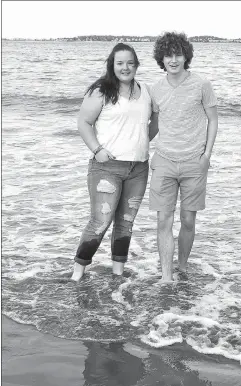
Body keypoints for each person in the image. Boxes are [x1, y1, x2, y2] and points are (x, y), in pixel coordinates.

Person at [72, 43, 157, 281]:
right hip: (106, 167)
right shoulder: (101, 90)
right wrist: (97, 149)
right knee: (100, 221)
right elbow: (83, 123)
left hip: (138, 168)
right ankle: (77, 273)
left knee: (125, 224)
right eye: (120, 63)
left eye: (130, 63)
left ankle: (117, 274)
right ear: (112, 65)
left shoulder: (146, 91)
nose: (125, 67)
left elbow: (154, 123)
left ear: (137, 65)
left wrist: (138, 142)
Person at [149, 32, 218, 282]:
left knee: (188, 220)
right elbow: (154, 125)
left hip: (194, 162)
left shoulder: (202, 84)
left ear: (186, 56)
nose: (173, 59)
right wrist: (132, 146)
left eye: (178, 54)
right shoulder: (155, 89)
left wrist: (206, 155)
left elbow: (212, 119)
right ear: (162, 59)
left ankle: (183, 267)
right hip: (164, 161)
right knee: (163, 220)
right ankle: (167, 277)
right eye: (168, 55)